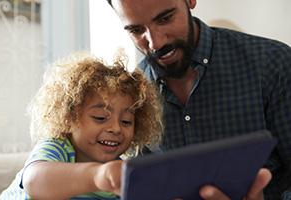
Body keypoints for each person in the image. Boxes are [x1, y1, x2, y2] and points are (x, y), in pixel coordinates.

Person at [106, 0, 291, 199]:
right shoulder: (132, 96)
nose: (155, 43)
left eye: (165, 18)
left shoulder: (273, 65)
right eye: (136, 30)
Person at [0, 49, 163, 200]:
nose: (116, 128)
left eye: (126, 121)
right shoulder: (58, 148)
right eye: (100, 117)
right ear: (69, 119)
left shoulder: (119, 174)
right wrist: (97, 177)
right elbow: (34, 182)